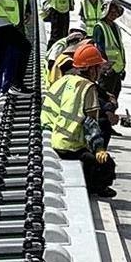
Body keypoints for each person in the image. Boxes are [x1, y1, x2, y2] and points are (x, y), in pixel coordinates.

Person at [41, 39, 116, 195]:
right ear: (90, 69)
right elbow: (91, 124)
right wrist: (100, 149)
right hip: (71, 145)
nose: (100, 71)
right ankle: (97, 187)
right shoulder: (88, 88)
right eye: (98, 67)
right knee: (106, 164)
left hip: (55, 137)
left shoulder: (66, 80)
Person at [86, 0, 128, 132]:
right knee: (105, 98)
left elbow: (119, 47)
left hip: (116, 68)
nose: (114, 14)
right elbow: (100, 47)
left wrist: (122, 68)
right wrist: (103, 66)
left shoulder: (115, 27)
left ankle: (109, 123)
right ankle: (103, 123)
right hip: (107, 69)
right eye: (111, 11)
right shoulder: (100, 27)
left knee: (115, 96)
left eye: (116, 12)